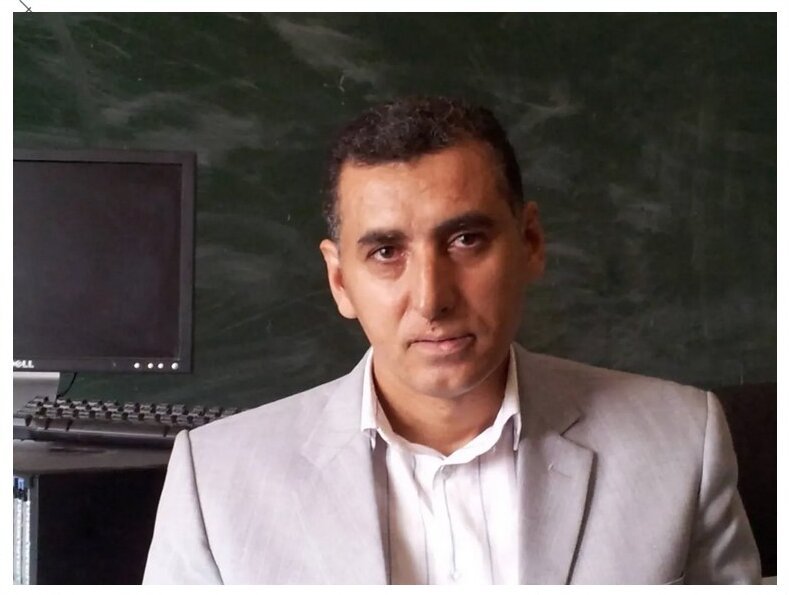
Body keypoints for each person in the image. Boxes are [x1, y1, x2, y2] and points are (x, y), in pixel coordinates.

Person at [142, 96, 761, 585]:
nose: (431, 298)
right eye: (386, 252)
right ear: (340, 281)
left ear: (530, 243)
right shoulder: (216, 483)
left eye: (466, 240)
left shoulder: (682, 444)